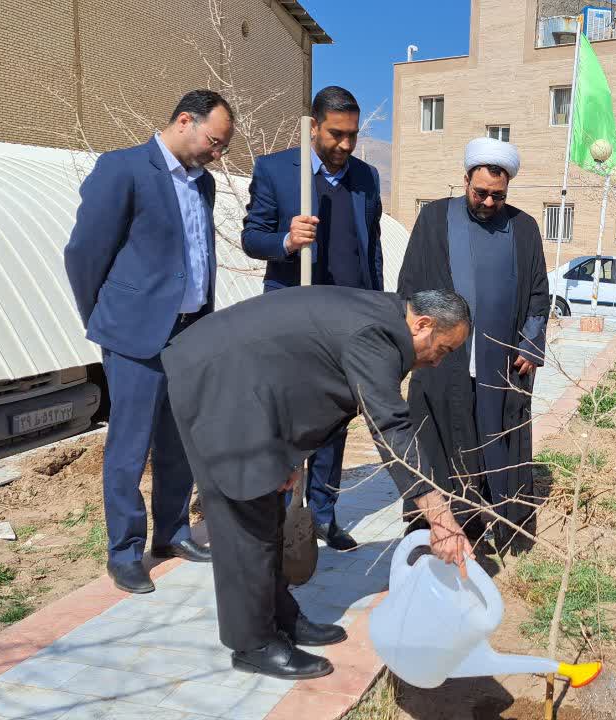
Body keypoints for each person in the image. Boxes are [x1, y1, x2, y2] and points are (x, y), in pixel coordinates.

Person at [161, 286, 475, 679]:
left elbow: (318, 382)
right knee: (246, 519)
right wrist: (441, 520)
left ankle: (280, 617)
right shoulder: (376, 336)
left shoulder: (385, 321)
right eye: (443, 349)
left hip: (252, 389)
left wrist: (290, 455)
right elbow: (391, 427)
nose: (436, 362)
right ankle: (253, 643)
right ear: (423, 324)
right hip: (221, 386)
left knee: (267, 512)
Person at [63, 90, 232, 594]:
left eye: (222, 146)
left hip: (189, 332)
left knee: (179, 442)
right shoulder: (123, 169)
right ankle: (124, 552)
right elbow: (84, 252)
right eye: (214, 141)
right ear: (185, 120)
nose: (217, 154)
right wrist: (103, 317)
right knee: (129, 448)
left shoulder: (202, 185)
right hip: (134, 335)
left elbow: (196, 254)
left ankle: (173, 531)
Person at [240, 85, 384, 552]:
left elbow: (372, 248)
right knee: (286, 419)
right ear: (315, 127)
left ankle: (322, 513)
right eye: (336, 135)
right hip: (293, 315)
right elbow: (252, 237)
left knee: (335, 421)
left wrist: (376, 309)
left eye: (352, 136)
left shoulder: (366, 177)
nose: (345, 145)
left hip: (348, 318)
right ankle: (282, 516)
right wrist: (285, 240)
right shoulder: (277, 171)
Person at [397, 137, 550, 553]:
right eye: (479, 192)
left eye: (496, 195)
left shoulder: (524, 228)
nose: (487, 201)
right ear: (464, 180)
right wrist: (415, 344)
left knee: (497, 444)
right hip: (443, 361)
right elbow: (409, 287)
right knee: (440, 441)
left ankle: (502, 527)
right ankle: (436, 530)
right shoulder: (433, 220)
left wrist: (530, 345)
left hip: (500, 364)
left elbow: (539, 293)